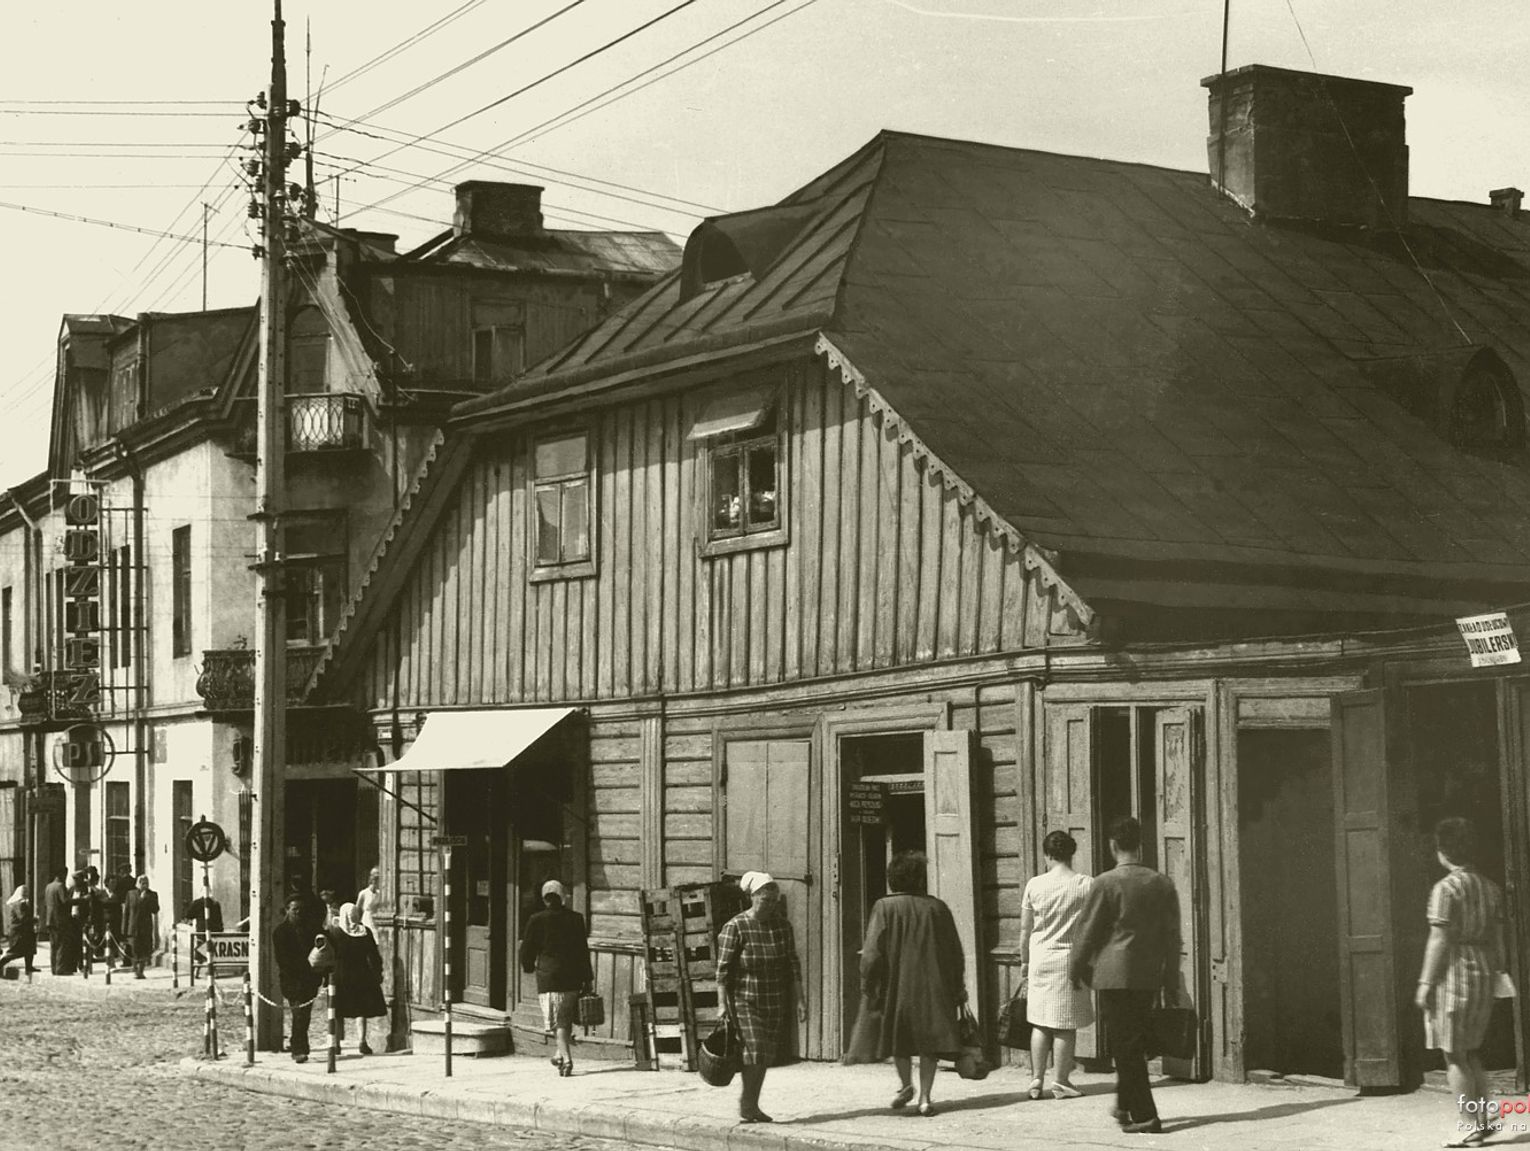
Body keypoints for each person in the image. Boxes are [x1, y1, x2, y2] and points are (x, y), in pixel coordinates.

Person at [1070, 816, 1181, 1135]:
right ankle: (1124, 1104)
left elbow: (1087, 931)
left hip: (1113, 974)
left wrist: (1075, 968)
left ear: (1113, 845)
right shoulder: (1162, 883)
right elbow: (1173, 938)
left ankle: (1145, 1114)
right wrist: (1171, 980)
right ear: (1140, 845)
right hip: (1147, 975)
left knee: (1126, 1043)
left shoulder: (1105, 883)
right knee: (1130, 1040)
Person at [844, 850, 967, 1117]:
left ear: (892, 879)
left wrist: (868, 982)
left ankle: (904, 1085)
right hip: (934, 986)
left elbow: (872, 952)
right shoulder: (938, 908)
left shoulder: (884, 907)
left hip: (896, 986)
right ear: (921, 879)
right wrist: (958, 986)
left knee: (899, 1039)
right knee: (929, 1043)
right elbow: (954, 952)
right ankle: (925, 1097)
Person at [1416, 817, 1506, 1149]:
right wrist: (1497, 972)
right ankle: (1487, 1117)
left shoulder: (1445, 889)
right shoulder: (1491, 887)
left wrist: (1425, 982)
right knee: (1471, 1050)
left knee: (1453, 1054)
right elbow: (1499, 940)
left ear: (1442, 851)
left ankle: (1469, 1127)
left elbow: (1438, 940)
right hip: (1484, 971)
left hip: (1455, 973)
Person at [716, 871, 807, 1124]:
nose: (769, 906)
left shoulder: (781, 926)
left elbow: (793, 964)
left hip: (773, 997)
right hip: (745, 999)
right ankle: (747, 1102)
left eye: (773, 901)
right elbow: (722, 970)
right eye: (764, 901)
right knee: (755, 1049)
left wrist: (800, 1000)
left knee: (765, 1054)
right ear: (753, 898)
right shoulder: (736, 927)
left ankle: (751, 1104)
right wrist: (721, 1004)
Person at [1019, 830, 1095, 1100]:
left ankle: (1036, 1079)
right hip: (1069, 960)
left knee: (1040, 1022)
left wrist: (1025, 961)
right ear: (1071, 853)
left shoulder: (1034, 885)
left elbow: (1025, 930)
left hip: (1040, 958)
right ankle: (1061, 1080)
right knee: (1065, 1023)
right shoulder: (1086, 884)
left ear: (1047, 854)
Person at [519, 879, 593, 1076]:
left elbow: (527, 950)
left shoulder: (536, 919)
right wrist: (588, 977)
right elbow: (582, 951)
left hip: (548, 978)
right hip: (572, 978)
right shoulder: (576, 919)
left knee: (558, 1023)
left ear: (544, 899)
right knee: (565, 1019)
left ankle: (566, 1059)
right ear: (563, 897)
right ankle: (559, 1055)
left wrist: (527, 966)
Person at [325, 901, 387, 1055]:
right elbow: (374, 955)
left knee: (338, 1009)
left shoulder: (336, 933)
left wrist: (326, 975)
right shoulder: (365, 932)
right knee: (361, 1010)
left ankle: (337, 1043)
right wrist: (377, 972)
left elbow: (328, 954)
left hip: (341, 974)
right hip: (361, 974)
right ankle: (362, 1042)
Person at [273, 894, 321, 1063]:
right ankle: (297, 1048)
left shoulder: (311, 929)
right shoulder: (280, 932)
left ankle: (301, 1042)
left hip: (309, 979)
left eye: (301, 909)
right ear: (287, 910)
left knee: (305, 1014)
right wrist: (300, 968)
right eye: (295, 909)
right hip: (292, 980)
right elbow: (282, 959)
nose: (298, 913)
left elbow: (322, 945)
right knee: (298, 1013)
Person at [123, 875, 160, 979]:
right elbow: (126, 912)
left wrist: (146, 899)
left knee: (144, 950)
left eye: (146, 883)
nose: (144, 885)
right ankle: (135, 969)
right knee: (134, 950)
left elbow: (155, 910)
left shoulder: (152, 894)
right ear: (137, 883)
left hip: (145, 927)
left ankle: (141, 970)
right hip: (133, 927)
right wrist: (124, 930)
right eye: (142, 882)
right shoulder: (131, 894)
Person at [0, 884, 37, 977]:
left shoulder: (21, 903)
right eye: (25, 892)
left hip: (24, 931)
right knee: (15, 952)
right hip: (19, 932)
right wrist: (34, 920)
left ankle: (29, 966)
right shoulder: (19, 904)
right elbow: (23, 918)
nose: (26, 893)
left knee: (29, 950)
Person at [43, 868, 67, 975]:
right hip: (59, 920)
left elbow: (45, 903)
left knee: (53, 945)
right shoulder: (60, 886)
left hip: (50, 919)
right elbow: (65, 901)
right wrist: (82, 899)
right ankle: (59, 968)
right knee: (61, 944)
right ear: (61, 874)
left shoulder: (48, 887)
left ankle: (53, 968)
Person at [355, 867, 386, 938]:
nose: (375, 881)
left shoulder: (380, 894)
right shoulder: (363, 893)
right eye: (374, 878)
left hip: (376, 920)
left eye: (378, 879)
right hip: (366, 919)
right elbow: (357, 909)